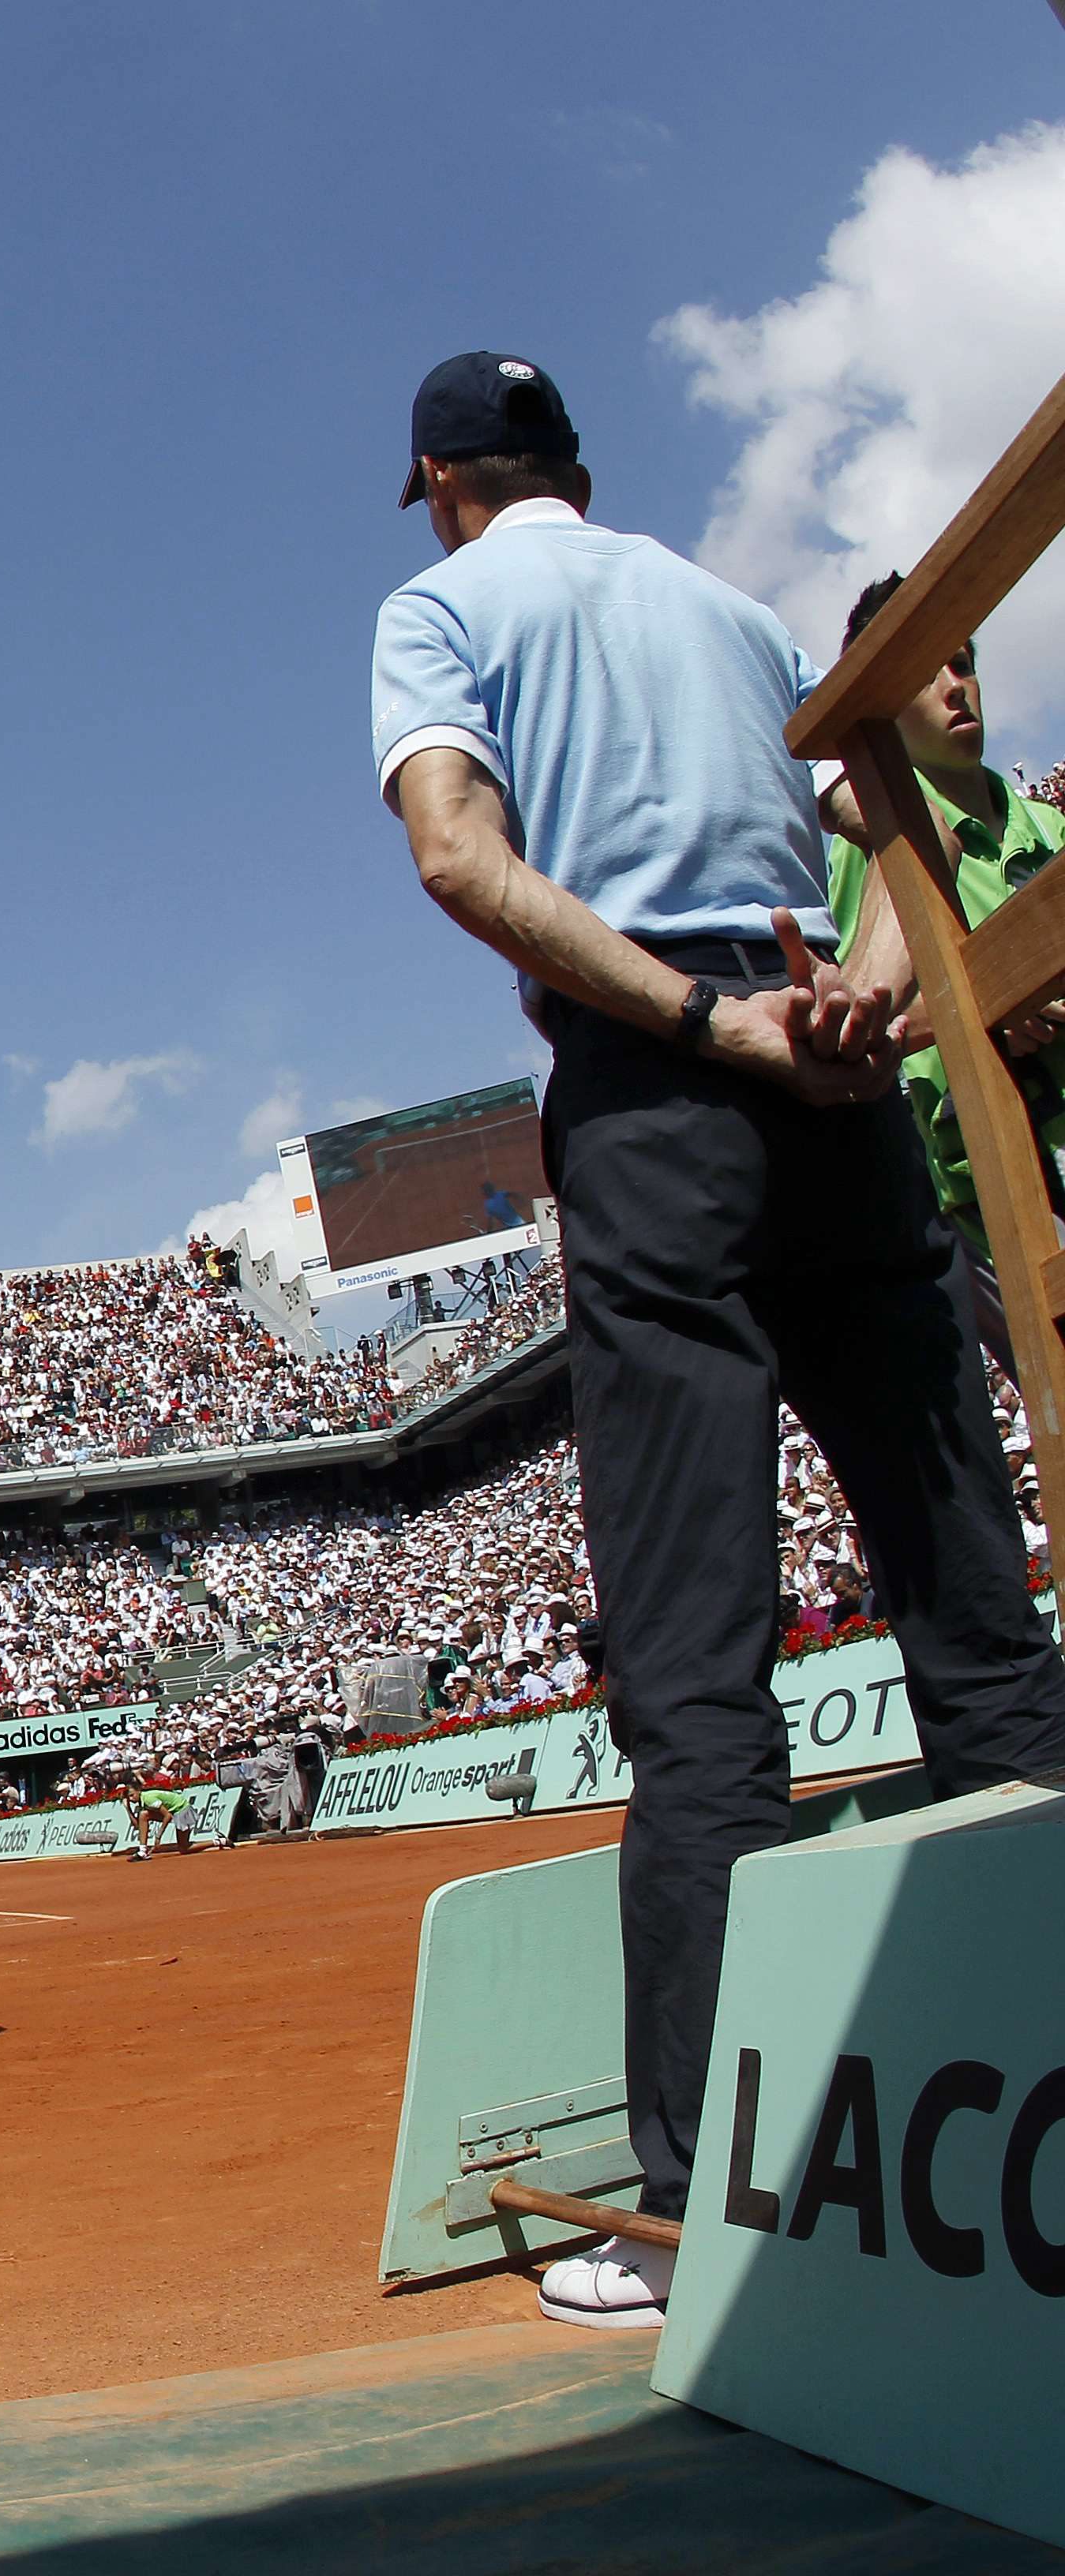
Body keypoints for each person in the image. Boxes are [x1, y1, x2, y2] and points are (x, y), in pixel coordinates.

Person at [371, 353, 1065, 2328]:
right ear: (575, 464)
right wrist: (841, 1004)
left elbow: (458, 860)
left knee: (694, 1673)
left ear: (437, 482)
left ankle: (687, 2202)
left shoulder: (443, 606)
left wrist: (696, 1023)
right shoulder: (731, 605)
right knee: (975, 1623)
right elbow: (885, 824)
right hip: (835, 1083)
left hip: (665, 1086)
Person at [817, 589, 1065, 1376]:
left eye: (962, 663)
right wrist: (994, 1004)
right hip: (1007, 1190)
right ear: (883, 713)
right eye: (926, 673)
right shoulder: (876, 845)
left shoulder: (1054, 831)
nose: (956, 686)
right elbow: (872, 1019)